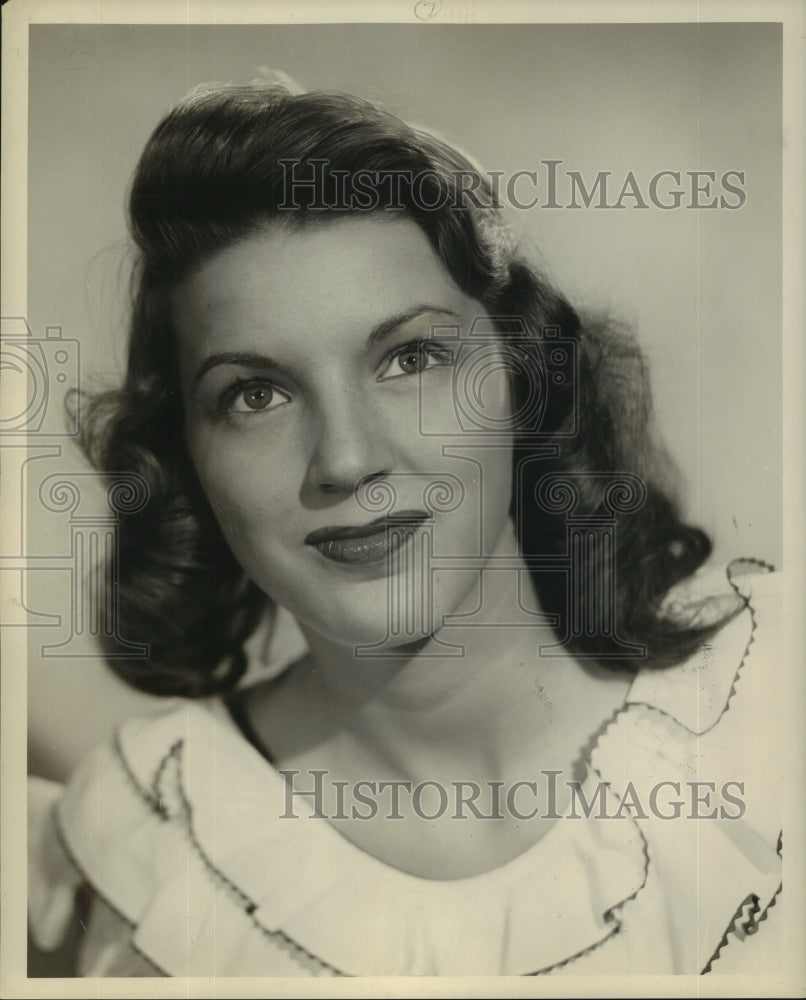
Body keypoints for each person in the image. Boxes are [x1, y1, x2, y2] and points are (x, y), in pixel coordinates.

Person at [28, 81, 782, 977]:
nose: (345, 460)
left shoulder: (772, 707)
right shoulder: (153, 848)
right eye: (255, 394)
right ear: (185, 457)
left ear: (520, 376)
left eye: (411, 358)